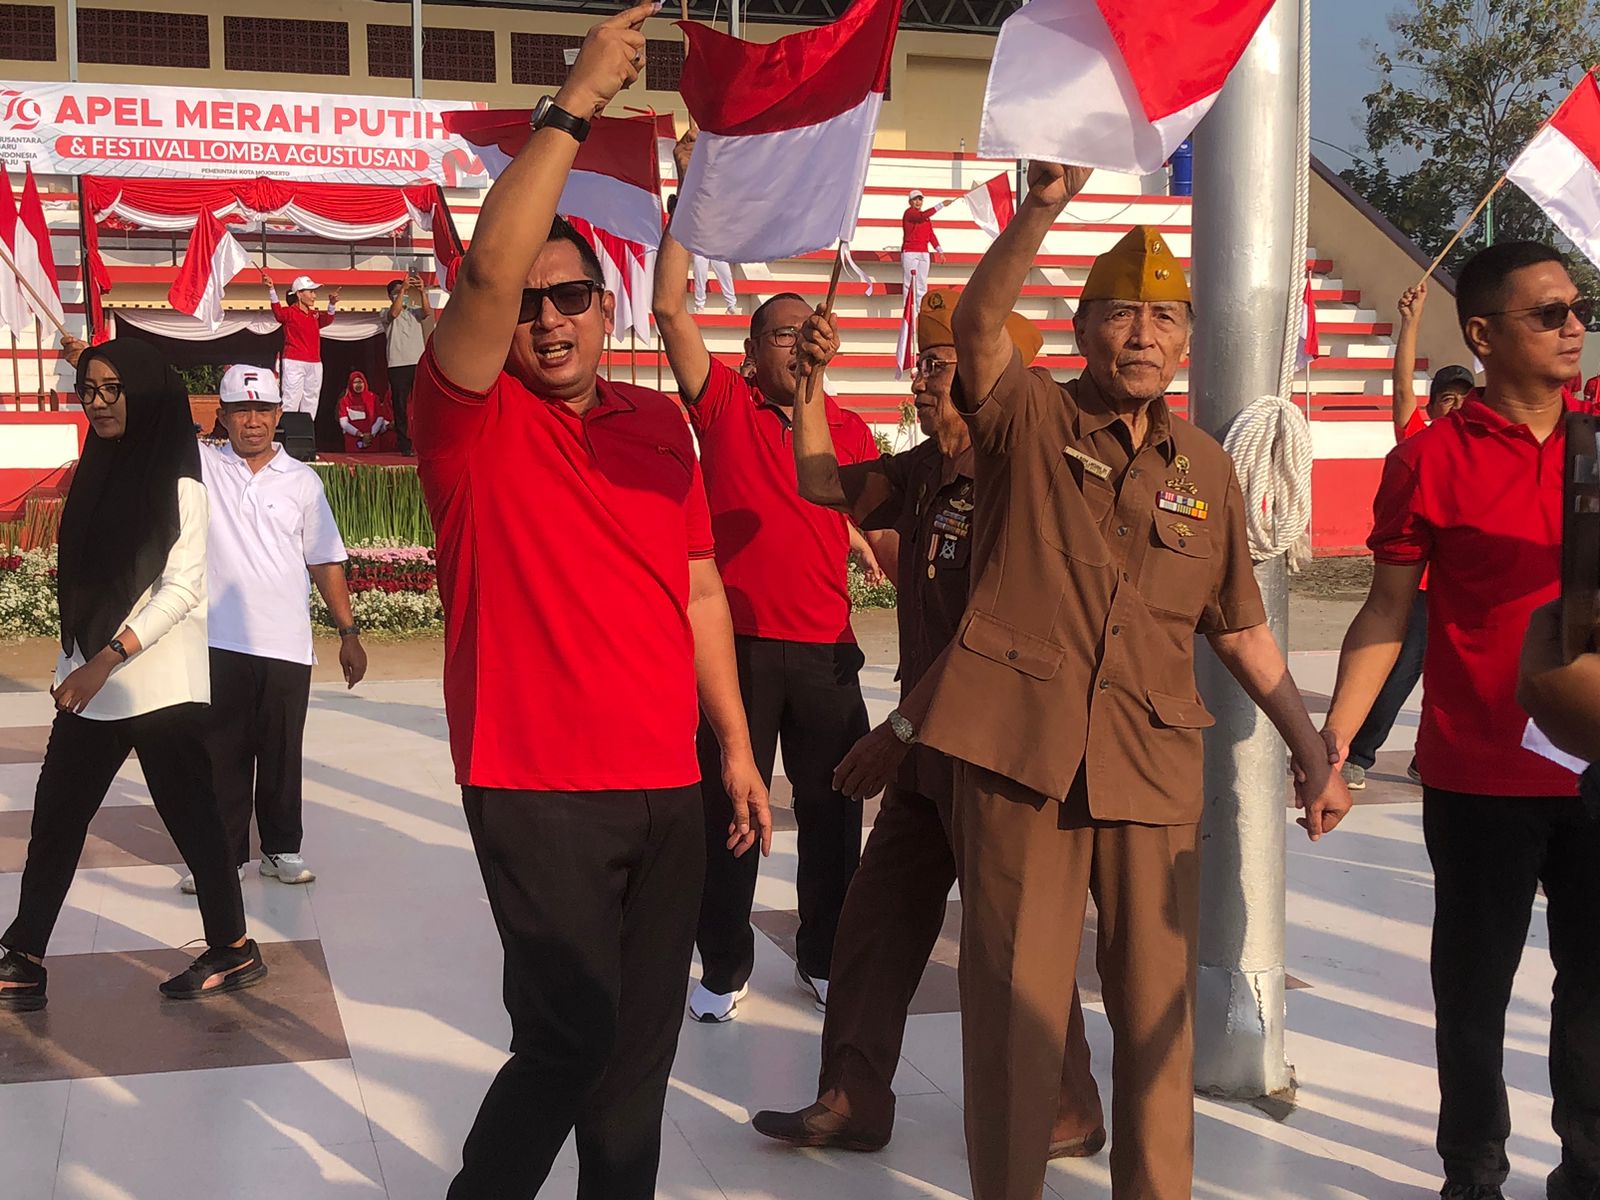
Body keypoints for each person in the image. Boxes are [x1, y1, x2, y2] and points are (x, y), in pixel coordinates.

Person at [849, 166, 1352, 1200]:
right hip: (1018, 763)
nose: (1142, 336)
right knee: (1014, 1014)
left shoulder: (1204, 468)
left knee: (1157, 1021)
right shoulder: (1026, 422)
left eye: (1164, 319)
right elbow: (983, 328)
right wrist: (1039, 209)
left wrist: (1309, 749)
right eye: (1119, 315)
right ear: (1082, 331)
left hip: (1150, 771)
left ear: (1183, 341)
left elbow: (1241, 629)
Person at [410, 9, 772, 1196]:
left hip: (666, 785)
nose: (547, 318)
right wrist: (573, 105)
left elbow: (699, 585)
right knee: (566, 1038)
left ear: (604, 307)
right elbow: (482, 268)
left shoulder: (657, 424)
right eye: (530, 302)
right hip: (536, 785)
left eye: (569, 298)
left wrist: (732, 748)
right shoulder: (467, 418)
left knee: (636, 1059)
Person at [750, 289, 1106, 1159]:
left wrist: (896, 732)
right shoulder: (925, 470)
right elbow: (820, 482)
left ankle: (1068, 1106)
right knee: (873, 924)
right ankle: (853, 1097)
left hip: (997, 748)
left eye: (941, 367)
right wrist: (810, 386)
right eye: (920, 365)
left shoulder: (1035, 484)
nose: (921, 383)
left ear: (995, 377)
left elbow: (995, 628)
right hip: (924, 747)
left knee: (1015, 939)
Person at [1322, 241, 1598, 1200]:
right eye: (1548, 312)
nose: (1574, 327)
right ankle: (1471, 1173)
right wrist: (1337, 750)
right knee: (1473, 994)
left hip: (1595, 763)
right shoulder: (1427, 461)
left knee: (1596, 991)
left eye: (1577, 308)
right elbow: (1386, 612)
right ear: (1481, 335)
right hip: (1480, 769)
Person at [656, 127, 881, 1024]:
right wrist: (692, 192)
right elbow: (672, 308)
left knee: (835, 821)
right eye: (777, 335)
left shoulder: (850, 431)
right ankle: (724, 964)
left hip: (827, 653)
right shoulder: (725, 407)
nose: (794, 346)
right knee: (730, 817)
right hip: (739, 652)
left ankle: (825, 956)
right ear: (750, 354)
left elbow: (879, 524)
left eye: (804, 333)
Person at [0, 339, 267, 1011]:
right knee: (58, 815)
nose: (101, 402)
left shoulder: (181, 475)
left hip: (155, 679)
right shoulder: (97, 467)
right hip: (93, 678)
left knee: (193, 819)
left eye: (115, 388)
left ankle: (233, 947)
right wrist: (76, 659)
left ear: (146, 392)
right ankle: (24, 958)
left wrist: (103, 659)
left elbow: (180, 587)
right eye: (90, 389)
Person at [174, 363, 368, 897]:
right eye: (241, 411)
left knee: (282, 751)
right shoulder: (203, 468)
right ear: (224, 416)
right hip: (219, 640)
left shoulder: (303, 481)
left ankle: (281, 848)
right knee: (221, 753)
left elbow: (325, 560)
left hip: (285, 643)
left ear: (279, 415)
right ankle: (225, 856)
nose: (252, 422)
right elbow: (151, 417)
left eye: (262, 410)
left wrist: (347, 631)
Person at [1341, 281, 1476, 791]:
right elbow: (1401, 387)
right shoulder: (1420, 439)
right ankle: (1359, 754)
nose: (1455, 408)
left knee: (1459, 680)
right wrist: (1410, 322)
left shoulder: (1478, 450)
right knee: (1400, 672)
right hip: (1418, 589)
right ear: (1433, 405)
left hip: (1460, 585)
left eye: (1464, 399)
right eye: (1446, 399)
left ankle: (1429, 757)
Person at [264, 270, 340, 417]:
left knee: (311, 398)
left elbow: (328, 320)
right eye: (311, 292)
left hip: (315, 362)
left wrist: (331, 304)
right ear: (299, 294)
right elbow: (278, 313)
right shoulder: (290, 312)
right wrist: (271, 289)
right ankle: (289, 431)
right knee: (291, 397)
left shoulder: (314, 315)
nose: (314, 296)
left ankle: (307, 432)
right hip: (294, 361)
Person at [382, 271, 433, 455]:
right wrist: (403, 289)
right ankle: (405, 444)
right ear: (391, 296)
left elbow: (427, 312)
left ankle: (425, 442)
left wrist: (422, 291)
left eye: (403, 291)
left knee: (422, 404)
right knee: (400, 406)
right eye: (397, 292)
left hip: (417, 362)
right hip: (397, 364)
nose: (402, 294)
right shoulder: (385, 313)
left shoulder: (414, 311)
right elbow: (394, 312)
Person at [900, 188, 946, 318]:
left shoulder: (925, 219)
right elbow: (922, 216)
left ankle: (920, 310)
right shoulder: (909, 213)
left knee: (922, 282)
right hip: (910, 251)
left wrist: (939, 250)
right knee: (909, 282)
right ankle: (908, 312)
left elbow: (931, 235)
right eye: (915, 199)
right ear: (910, 202)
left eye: (920, 199)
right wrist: (940, 205)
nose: (918, 202)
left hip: (923, 252)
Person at [336, 370, 395, 453]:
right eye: (355, 382)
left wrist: (371, 434)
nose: (358, 385)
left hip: (372, 441)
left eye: (360, 382)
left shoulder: (374, 398)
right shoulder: (344, 401)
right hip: (353, 442)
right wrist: (360, 434)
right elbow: (344, 423)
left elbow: (380, 418)